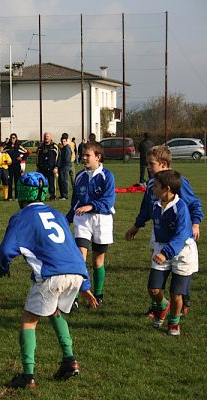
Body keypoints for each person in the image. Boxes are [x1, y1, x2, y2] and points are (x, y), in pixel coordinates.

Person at [0, 172, 97, 389]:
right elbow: (73, 251)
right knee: (54, 312)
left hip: (52, 275)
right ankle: (69, 361)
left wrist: (0, 266)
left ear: (22, 193)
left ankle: (27, 376)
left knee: (28, 321)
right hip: (76, 273)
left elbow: (5, 251)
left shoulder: (21, 217)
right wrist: (85, 285)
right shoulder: (57, 214)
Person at [125, 145, 202, 317]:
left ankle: (183, 300)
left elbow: (194, 203)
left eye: (151, 164)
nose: (148, 167)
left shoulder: (177, 182)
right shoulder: (153, 183)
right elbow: (146, 208)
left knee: (179, 269)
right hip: (160, 233)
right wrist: (137, 225)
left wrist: (195, 223)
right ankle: (158, 306)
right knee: (157, 272)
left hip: (179, 235)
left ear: (164, 164)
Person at [130, 170, 198, 336]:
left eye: (156, 186)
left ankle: (174, 321)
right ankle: (162, 306)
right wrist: (136, 226)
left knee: (177, 293)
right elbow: (146, 213)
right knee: (153, 289)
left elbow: (181, 235)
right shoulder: (157, 204)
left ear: (167, 188)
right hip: (163, 248)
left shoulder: (180, 208)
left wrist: (166, 252)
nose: (152, 189)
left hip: (182, 252)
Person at [66, 141, 115, 306]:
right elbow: (75, 202)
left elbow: (108, 201)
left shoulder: (107, 176)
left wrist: (91, 206)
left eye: (88, 155)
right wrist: (67, 220)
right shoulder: (80, 176)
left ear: (98, 157)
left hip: (102, 220)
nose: (84, 158)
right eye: (83, 155)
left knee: (97, 261)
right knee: (79, 259)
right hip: (82, 221)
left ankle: (98, 295)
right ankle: (74, 298)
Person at [36, 132, 59, 201]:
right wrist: (38, 166)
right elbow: (37, 157)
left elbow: (58, 157)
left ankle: (52, 196)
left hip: (51, 168)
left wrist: (56, 167)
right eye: (45, 136)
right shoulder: (40, 147)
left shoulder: (54, 146)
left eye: (48, 136)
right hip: (42, 168)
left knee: (51, 184)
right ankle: (41, 197)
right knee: (41, 183)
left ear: (50, 137)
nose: (46, 137)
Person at [4, 133, 27, 200]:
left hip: (17, 166)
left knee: (17, 182)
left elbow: (26, 152)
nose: (12, 139)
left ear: (16, 138)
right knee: (9, 182)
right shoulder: (7, 146)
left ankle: (17, 196)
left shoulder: (19, 146)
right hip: (9, 167)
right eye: (11, 137)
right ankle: (10, 196)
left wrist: (22, 158)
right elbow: (2, 152)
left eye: (14, 138)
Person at [57, 134, 72, 200]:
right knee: (60, 180)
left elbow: (67, 159)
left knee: (64, 181)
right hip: (62, 166)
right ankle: (62, 195)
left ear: (66, 141)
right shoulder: (63, 148)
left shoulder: (67, 148)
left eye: (64, 141)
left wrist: (63, 166)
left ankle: (65, 195)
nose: (63, 142)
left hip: (65, 166)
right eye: (62, 141)